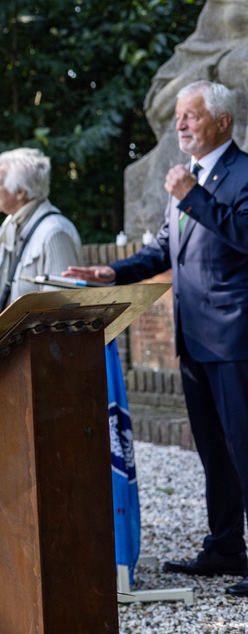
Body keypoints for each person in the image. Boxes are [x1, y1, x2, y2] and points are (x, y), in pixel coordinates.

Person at [65, 80, 248, 596]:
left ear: (222, 123)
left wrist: (194, 198)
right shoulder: (186, 179)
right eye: (178, 117)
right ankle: (226, 547)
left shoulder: (240, 174)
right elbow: (162, 252)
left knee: (245, 448)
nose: (181, 124)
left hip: (237, 340)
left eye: (191, 115)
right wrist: (111, 274)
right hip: (194, 341)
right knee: (213, 450)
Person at [0, 147, 82, 329]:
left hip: (39, 355)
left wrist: (8, 328)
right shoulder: (10, 227)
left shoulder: (54, 232)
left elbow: (60, 311)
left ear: (20, 192)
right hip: (12, 351)